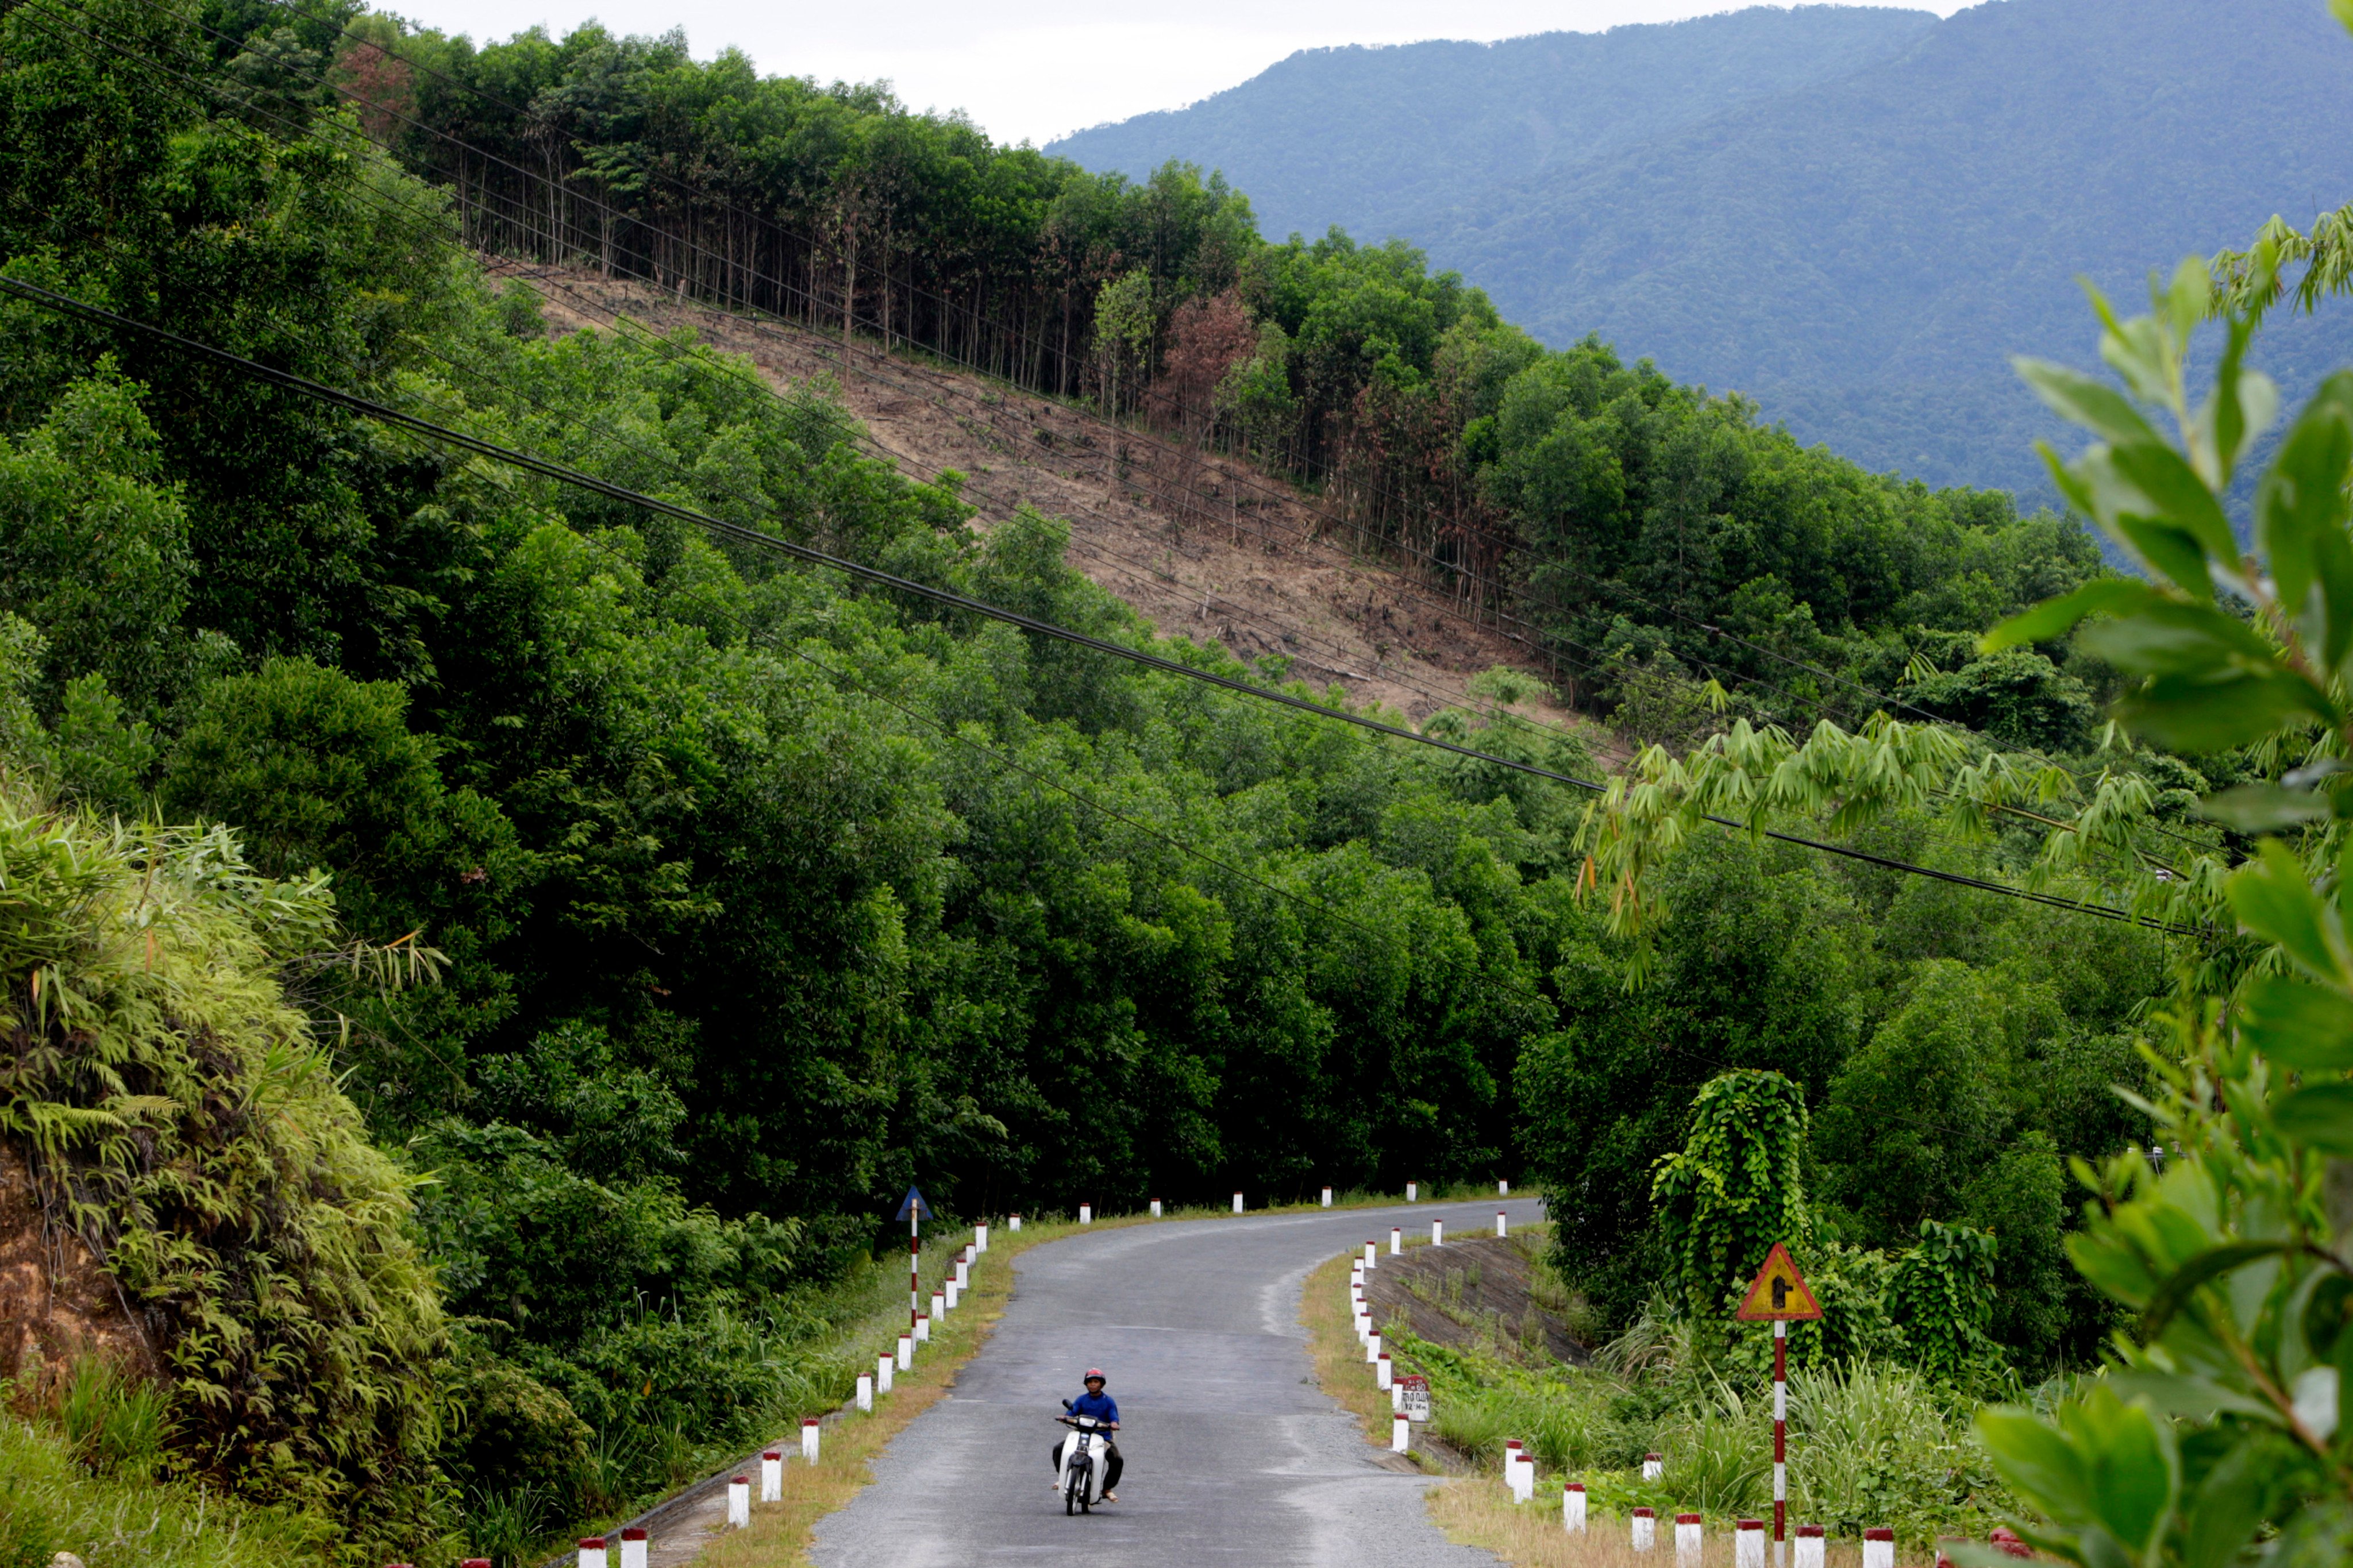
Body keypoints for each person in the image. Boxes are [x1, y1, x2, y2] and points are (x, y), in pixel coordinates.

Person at [1052, 1367, 1122, 1502]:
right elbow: (1072, 1412)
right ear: (1086, 1384)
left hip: (1103, 1438)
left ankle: (1107, 1489)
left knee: (1117, 1459)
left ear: (1101, 1384)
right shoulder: (1082, 1399)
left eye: (1096, 1382)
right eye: (1090, 1382)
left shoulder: (1109, 1401)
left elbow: (1114, 1416)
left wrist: (1114, 1423)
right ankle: (1064, 1478)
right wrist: (1065, 1417)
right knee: (1059, 1449)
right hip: (1081, 1434)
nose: (1093, 1384)